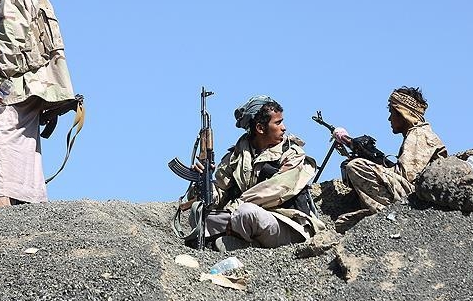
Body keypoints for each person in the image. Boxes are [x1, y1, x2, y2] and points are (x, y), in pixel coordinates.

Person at [0, 0, 75, 208]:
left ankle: (3, 199)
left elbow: (10, 38)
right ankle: (30, 199)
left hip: (16, 79)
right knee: (25, 137)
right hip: (41, 81)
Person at [192, 96, 325, 250]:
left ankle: (242, 243)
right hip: (244, 218)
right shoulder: (237, 156)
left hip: (287, 223)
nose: (284, 128)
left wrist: (236, 207)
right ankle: (240, 240)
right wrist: (203, 184)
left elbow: (277, 189)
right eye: (278, 123)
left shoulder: (292, 153)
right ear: (260, 128)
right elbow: (220, 192)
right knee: (199, 214)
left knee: (246, 212)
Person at [331, 86, 448, 231]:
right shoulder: (417, 134)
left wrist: (374, 165)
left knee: (356, 166)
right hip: (414, 194)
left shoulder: (419, 134)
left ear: (403, 113)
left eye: (392, 113)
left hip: (415, 197)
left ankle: (386, 212)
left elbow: (406, 176)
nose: (389, 118)